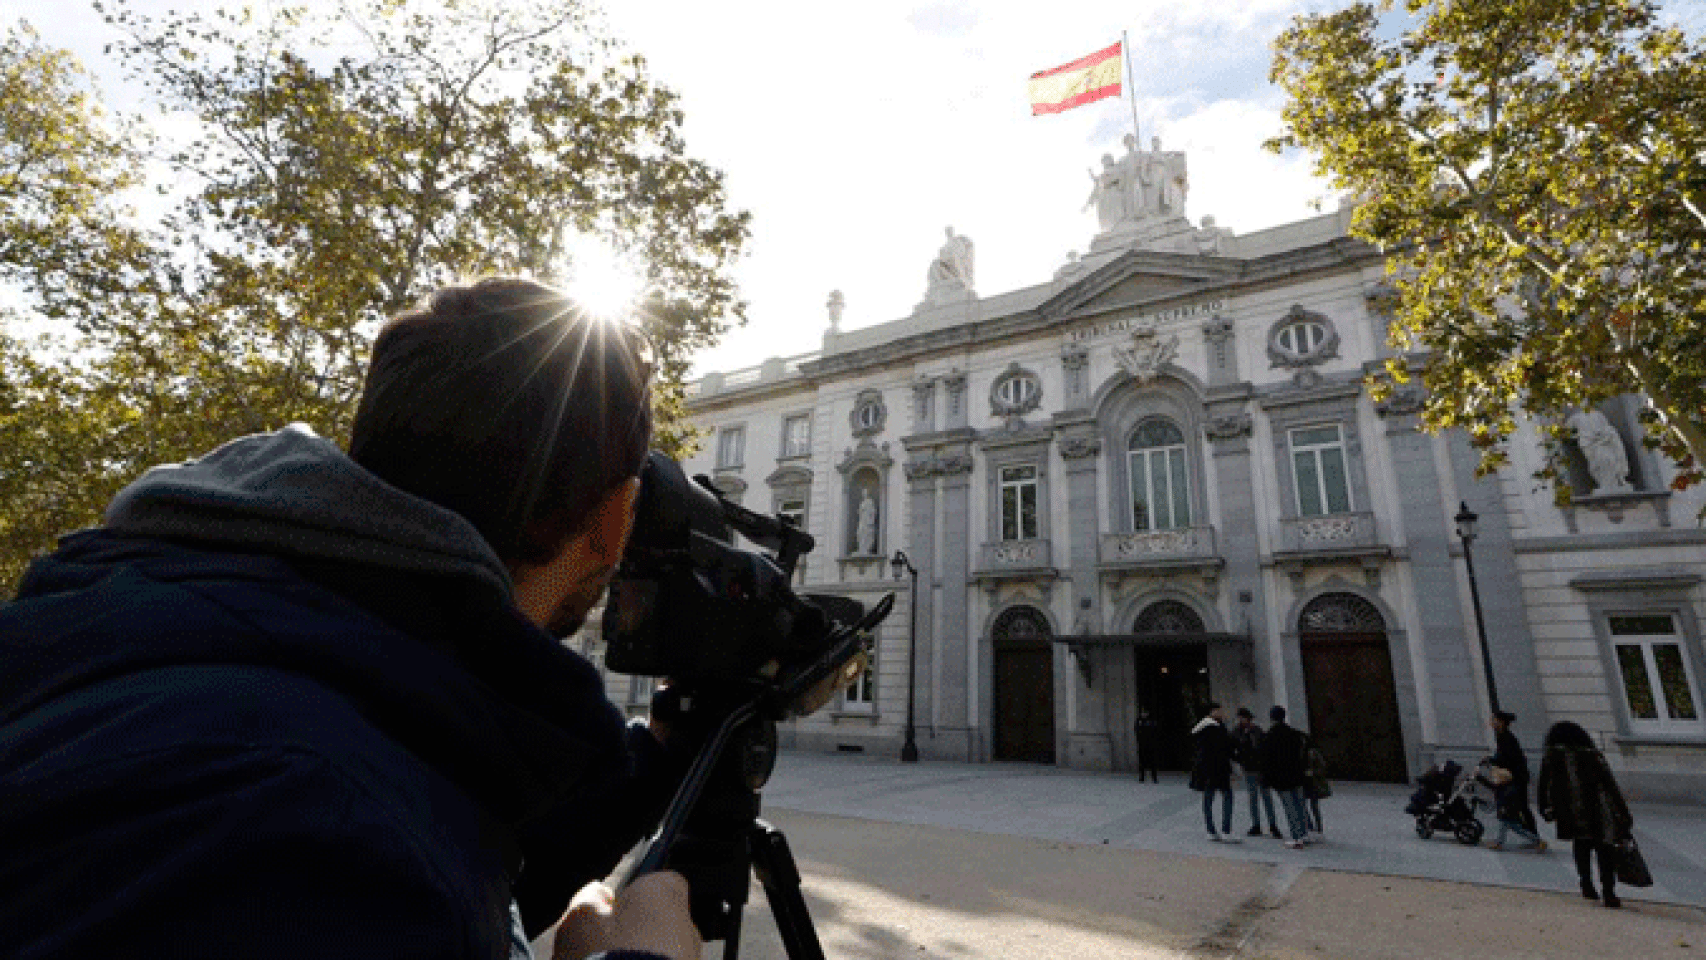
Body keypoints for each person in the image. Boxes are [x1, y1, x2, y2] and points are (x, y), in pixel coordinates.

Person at [0, 278, 700, 960]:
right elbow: (372, 874)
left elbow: (444, 864)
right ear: (615, 518)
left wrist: (659, 758)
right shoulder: (323, 828)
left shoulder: (169, 621)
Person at [1537, 721, 1635, 908]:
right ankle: (1608, 891)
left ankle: (1586, 884)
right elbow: (1610, 785)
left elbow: (1544, 785)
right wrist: (1623, 812)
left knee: (1581, 846)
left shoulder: (1552, 756)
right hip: (1597, 809)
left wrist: (1546, 809)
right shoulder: (1592, 755)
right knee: (1604, 849)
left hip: (1570, 811)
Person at [1485, 709, 1548, 853]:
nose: (1491, 723)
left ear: (1500, 722)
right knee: (1521, 808)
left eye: (1494, 720)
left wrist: (1492, 760)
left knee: (1513, 809)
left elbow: (1507, 758)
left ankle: (1535, 839)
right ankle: (1534, 838)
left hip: (1515, 779)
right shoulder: (1504, 736)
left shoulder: (1506, 737)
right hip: (1517, 777)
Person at [1262, 705, 1312, 849]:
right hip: (1296, 775)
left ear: (1272, 718)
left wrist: (1267, 779)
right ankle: (1304, 833)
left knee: (1289, 807)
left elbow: (1267, 760)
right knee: (1300, 805)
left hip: (1281, 778)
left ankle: (1296, 838)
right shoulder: (1294, 734)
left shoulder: (1269, 736)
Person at [1190, 703, 1238, 842]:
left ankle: (1212, 830)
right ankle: (1225, 831)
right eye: (1219, 710)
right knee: (1225, 797)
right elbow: (1225, 747)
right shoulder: (1213, 728)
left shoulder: (1203, 727)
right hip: (1216, 769)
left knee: (1209, 800)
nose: (1221, 713)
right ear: (1212, 712)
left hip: (1209, 769)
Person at [1232, 707, 1282, 839]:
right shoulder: (1237, 732)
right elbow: (1232, 747)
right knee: (1253, 797)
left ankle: (1273, 825)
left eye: (1243, 717)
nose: (1241, 720)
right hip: (1248, 768)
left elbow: (1264, 747)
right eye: (1240, 718)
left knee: (1267, 797)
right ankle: (1256, 825)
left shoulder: (1257, 730)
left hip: (1261, 768)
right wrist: (1239, 760)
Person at [1301, 733, 1332, 839]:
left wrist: (1312, 772)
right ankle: (1312, 827)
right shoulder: (1305, 752)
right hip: (1306, 782)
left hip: (1312, 782)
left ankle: (1317, 828)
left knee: (1313, 806)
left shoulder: (1312, 752)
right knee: (1308, 805)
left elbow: (1322, 766)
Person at [1134, 707, 1162, 783]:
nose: (1144, 714)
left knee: (1153, 762)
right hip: (1142, 744)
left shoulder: (1152, 721)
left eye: (1145, 713)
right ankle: (1142, 777)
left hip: (1151, 744)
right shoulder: (1139, 721)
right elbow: (1136, 731)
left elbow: (1155, 731)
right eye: (1142, 713)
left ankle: (1154, 777)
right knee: (1142, 762)